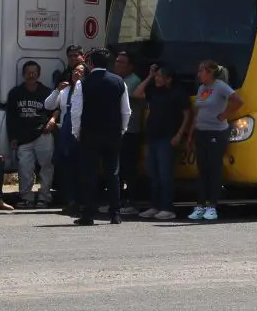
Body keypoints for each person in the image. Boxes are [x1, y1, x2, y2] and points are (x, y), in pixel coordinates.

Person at [70, 48, 131, 226]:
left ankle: (88, 214)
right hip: (112, 133)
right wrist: (122, 130)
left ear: (90, 63)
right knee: (113, 173)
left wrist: (76, 132)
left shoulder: (84, 83)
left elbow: (76, 111)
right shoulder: (120, 82)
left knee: (89, 173)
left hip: (90, 133)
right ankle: (115, 213)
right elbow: (126, 111)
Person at [188, 60, 245, 221]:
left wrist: (225, 114)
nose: (199, 74)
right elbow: (198, 112)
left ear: (210, 73)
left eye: (201, 71)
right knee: (202, 170)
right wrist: (192, 133)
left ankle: (212, 206)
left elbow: (238, 101)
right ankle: (200, 206)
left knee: (214, 169)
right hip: (201, 132)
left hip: (216, 133)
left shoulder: (220, 86)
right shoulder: (201, 88)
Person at [133, 64, 191, 220]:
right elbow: (137, 93)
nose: (157, 78)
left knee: (166, 174)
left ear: (169, 79)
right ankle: (154, 205)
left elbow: (187, 115)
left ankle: (167, 207)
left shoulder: (178, 93)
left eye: (159, 76)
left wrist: (179, 134)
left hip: (168, 137)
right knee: (153, 173)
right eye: (156, 76)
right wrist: (150, 76)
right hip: (153, 137)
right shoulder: (154, 91)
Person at [6, 61, 54, 209]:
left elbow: (56, 109)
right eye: (28, 72)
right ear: (23, 74)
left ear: (38, 74)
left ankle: (44, 197)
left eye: (34, 72)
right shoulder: (15, 93)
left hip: (42, 134)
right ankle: (26, 197)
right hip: (23, 137)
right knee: (24, 169)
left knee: (46, 167)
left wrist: (52, 120)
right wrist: (13, 137)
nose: (31, 75)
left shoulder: (46, 92)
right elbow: (11, 117)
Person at [44, 62, 85, 215]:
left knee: (79, 168)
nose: (77, 73)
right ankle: (71, 200)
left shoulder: (85, 90)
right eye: (75, 70)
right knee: (66, 167)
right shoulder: (65, 90)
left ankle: (81, 200)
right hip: (65, 131)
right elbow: (48, 105)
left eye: (81, 71)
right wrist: (57, 90)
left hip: (79, 131)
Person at [113, 51, 144, 215]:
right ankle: (117, 202)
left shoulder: (133, 81)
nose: (117, 64)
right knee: (116, 168)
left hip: (130, 131)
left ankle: (132, 202)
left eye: (122, 62)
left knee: (129, 168)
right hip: (117, 131)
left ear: (130, 66)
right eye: (117, 61)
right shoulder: (117, 79)